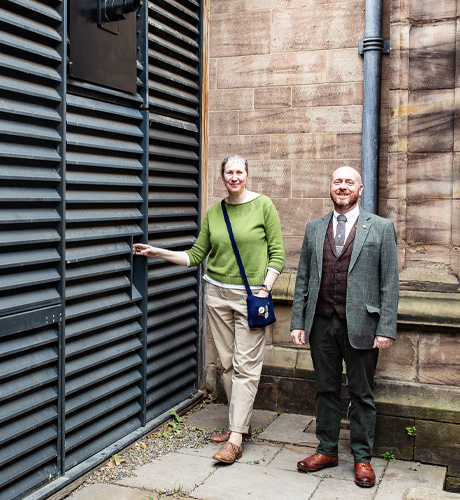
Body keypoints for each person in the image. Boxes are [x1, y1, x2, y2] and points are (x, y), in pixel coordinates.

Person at [134, 155, 285, 464]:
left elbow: (278, 255)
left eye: (239, 171)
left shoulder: (264, 206)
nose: (234, 177)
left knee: (246, 366)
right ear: (222, 176)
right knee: (227, 364)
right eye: (229, 172)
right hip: (216, 294)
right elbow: (195, 254)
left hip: (250, 297)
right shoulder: (215, 213)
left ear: (247, 174)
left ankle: (235, 439)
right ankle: (240, 424)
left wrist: (264, 289)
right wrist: (159, 252)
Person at [290, 166, 399, 488]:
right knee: (326, 390)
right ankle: (326, 451)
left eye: (348, 182)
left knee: (361, 393)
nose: (342, 186)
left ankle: (362, 458)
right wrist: (298, 321)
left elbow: (389, 282)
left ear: (360, 189)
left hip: (363, 324)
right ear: (330, 187)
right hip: (321, 323)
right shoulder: (314, 228)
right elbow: (303, 280)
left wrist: (386, 327)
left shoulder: (380, 227)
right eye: (337, 181)